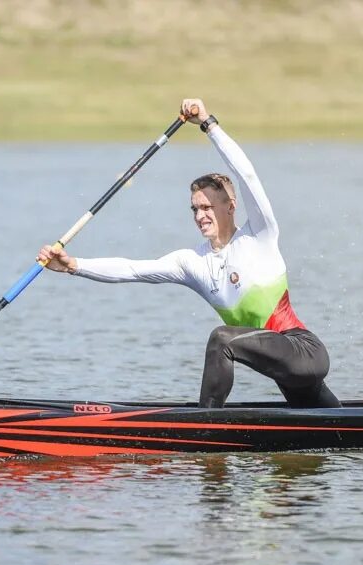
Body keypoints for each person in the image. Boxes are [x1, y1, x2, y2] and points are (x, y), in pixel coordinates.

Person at [37, 98, 340, 409]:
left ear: (230, 207)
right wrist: (74, 265)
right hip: (284, 370)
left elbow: (246, 174)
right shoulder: (192, 263)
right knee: (337, 426)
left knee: (222, 339)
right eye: (195, 209)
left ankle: (206, 425)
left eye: (207, 207)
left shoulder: (259, 235)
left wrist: (209, 125)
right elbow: (132, 270)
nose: (200, 215)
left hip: (303, 351)